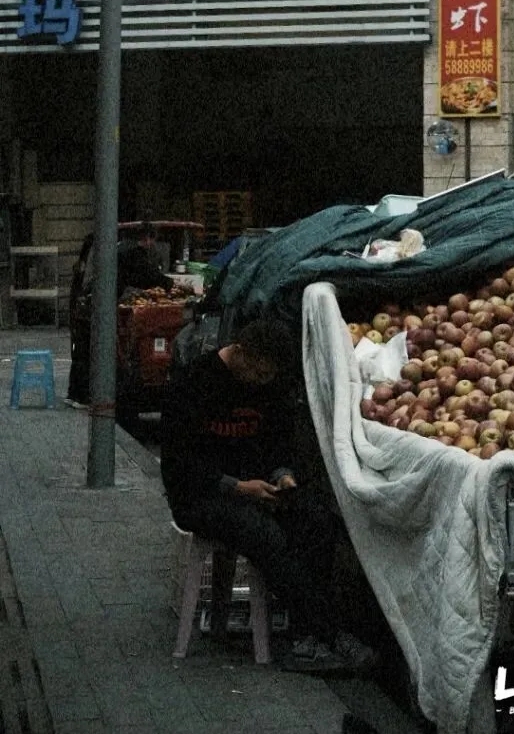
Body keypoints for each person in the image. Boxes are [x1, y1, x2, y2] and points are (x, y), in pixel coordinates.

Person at [160, 315, 375, 676]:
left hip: (258, 488)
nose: (262, 383)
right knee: (266, 536)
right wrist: (237, 487)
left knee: (316, 521)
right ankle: (331, 635)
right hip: (201, 496)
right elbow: (180, 464)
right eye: (258, 374)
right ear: (241, 353)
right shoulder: (193, 382)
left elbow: (278, 442)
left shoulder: (271, 387)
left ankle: (306, 636)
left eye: (269, 377)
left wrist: (283, 476)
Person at [116, 223, 170, 296]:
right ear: (147, 239)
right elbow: (146, 271)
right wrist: (165, 281)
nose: (151, 244)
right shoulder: (133, 252)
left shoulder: (124, 246)